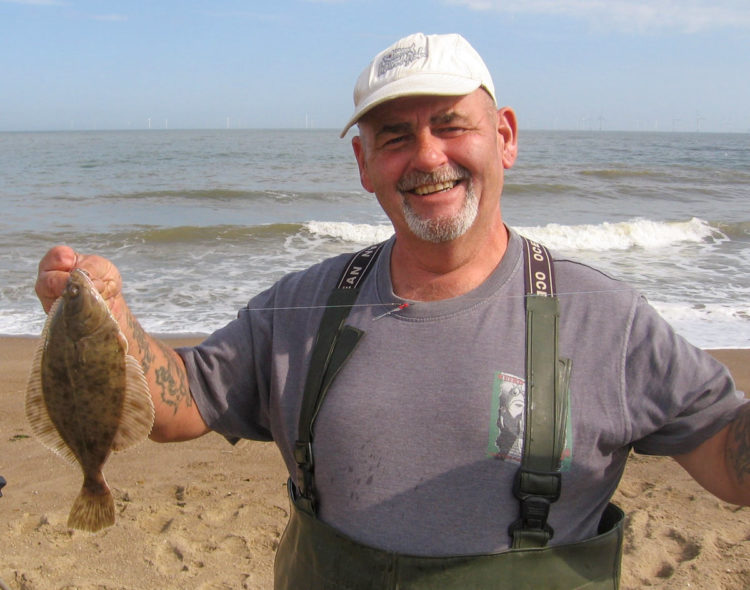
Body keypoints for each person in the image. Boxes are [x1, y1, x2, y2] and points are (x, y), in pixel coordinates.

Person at [35, 32, 749, 589]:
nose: (427, 155)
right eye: (397, 137)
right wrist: (114, 322)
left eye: (450, 124)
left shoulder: (607, 319)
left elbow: (727, 456)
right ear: (363, 163)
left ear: (504, 136)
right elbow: (179, 402)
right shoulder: (298, 306)